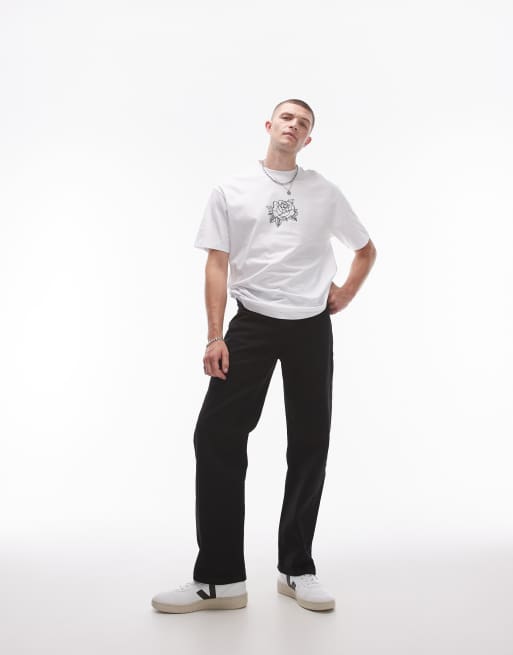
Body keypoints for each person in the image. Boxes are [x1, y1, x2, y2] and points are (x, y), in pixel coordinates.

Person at [151, 98, 377, 614]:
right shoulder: (230, 190)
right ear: (270, 125)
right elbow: (216, 264)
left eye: (304, 123)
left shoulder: (325, 192)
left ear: (308, 139)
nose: (294, 125)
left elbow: (366, 250)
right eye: (287, 117)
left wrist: (345, 293)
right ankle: (220, 579)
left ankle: (297, 570)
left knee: (310, 442)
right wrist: (215, 336)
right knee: (215, 436)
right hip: (251, 323)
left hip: (310, 326)